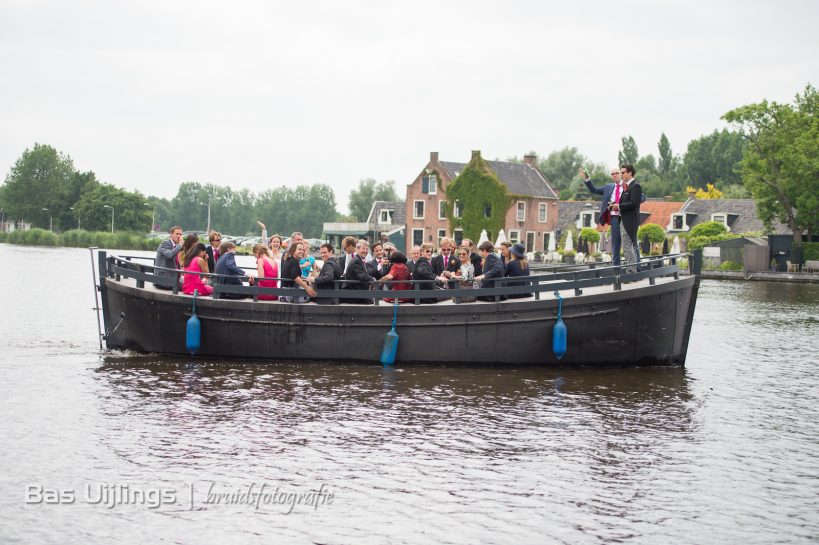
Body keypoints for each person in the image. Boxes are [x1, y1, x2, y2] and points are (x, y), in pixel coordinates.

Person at [579, 166, 645, 266]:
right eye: (612, 174)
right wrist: (587, 179)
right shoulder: (608, 187)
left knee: (632, 243)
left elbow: (642, 197)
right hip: (614, 217)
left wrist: (624, 205)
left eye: (617, 173)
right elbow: (594, 190)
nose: (614, 175)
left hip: (627, 217)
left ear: (621, 174)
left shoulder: (629, 185)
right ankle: (616, 269)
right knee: (615, 243)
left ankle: (637, 267)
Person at [610, 164, 643, 273]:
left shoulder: (635, 186)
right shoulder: (627, 186)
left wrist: (618, 206)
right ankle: (633, 271)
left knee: (628, 246)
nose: (621, 174)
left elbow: (634, 203)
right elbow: (625, 202)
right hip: (624, 219)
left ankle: (631, 272)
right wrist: (615, 204)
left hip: (630, 221)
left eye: (623, 172)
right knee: (630, 246)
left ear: (630, 173)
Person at [342, 239, 376, 303]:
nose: (365, 251)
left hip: (357, 294)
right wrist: (373, 279)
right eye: (363, 249)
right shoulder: (356, 261)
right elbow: (361, 276)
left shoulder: (358, 259)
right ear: (357, 249)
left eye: (367, 249)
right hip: (354, 296)